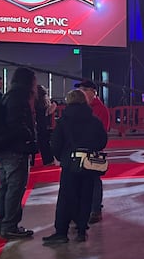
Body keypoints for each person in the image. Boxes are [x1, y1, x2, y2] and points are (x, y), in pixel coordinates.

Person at [42, 90, 108, 244]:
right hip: (89, 163)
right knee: (85, 196)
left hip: (70, 163)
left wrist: (62, 157)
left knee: (66, 197)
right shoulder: (94, 120)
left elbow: (56, 144)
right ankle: (81, 230)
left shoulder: (64, 120)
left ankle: (61, 232)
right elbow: (102, 141)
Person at [0, 67, 38, 240]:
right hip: (16, 149)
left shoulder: (7, 95)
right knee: (15, 188)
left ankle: (2, 224)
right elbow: (17, 125)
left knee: (5, 188)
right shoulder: (19, 98)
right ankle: (10, 226)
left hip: (4, 149)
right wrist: (29, 136)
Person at [75, 80, 110, 223]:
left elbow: (102, 131)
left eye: (83, 89)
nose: (81, 92)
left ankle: (96, 210)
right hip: (78, 149)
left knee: (94, 180)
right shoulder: (79, 107)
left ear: (92, 92)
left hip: (93, 149)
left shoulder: (100, 109)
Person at [33, 85, 56, 166]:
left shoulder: (33, 101)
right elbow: (48, 113)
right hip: (43, 124)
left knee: (33, 142)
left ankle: (31, 162)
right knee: (44, 143)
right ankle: (48, 160)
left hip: (34, 124)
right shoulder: (45, 101)